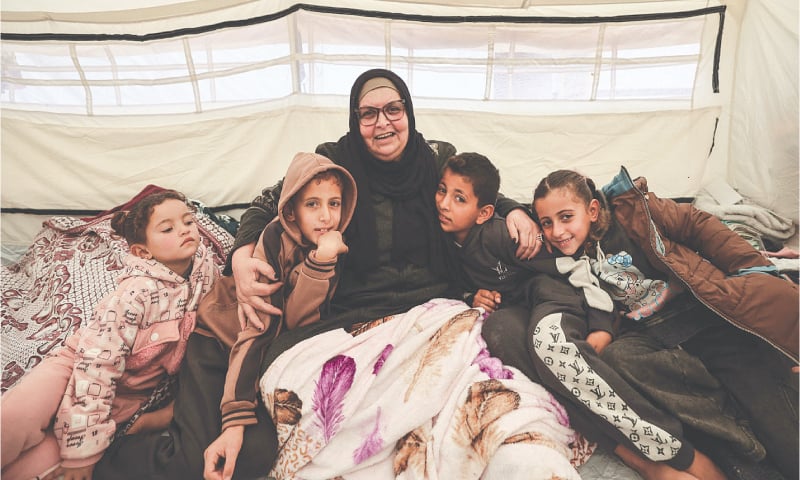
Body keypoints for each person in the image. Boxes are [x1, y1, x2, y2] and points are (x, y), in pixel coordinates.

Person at [441, 155, 730, 479]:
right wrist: (470, 296)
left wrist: (602, 323)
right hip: (515, 306)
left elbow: (576, 268)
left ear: (484, 211)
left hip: (554, 291)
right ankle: (642, 461)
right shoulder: (445, 240)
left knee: (550, 346)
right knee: (502, 335)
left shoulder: (501, 233)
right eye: (440, 192)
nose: (443, 204)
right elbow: (456, 282)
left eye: (457, 197)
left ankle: (681, 454)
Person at [229, 68, 542, 350]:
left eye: (393, 109)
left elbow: (475, 194)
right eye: (368, 114)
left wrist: (513, 209)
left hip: (438, 306)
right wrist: (242, 257)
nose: (382, 122)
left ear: (408, 111)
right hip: (353, 316)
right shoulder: (333, 162)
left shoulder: (435, 158)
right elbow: (269, 201)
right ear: (355, 119)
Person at [531, 167, 799, 479]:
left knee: (772, 414)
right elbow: (518, 248)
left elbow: (696, 223)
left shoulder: (633, 213)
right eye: (546, 223)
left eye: (566, 217)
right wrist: (521, 220)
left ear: (592, 210)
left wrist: (751, 266)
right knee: (621, 357)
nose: (557, 231)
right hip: (650, 332)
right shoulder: (571, 259)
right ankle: (733, 431)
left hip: (697, 314)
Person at [1, 190, 220, 480]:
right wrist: (82, 449)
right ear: (143, 252)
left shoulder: (207, 273)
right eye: (168, 228)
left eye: (189, 222)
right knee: (12, 422)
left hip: (127, 395)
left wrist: (79, 455)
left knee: (40, 469)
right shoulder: (135, 294)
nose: (184, 230)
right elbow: (97, 366)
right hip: (78, 365)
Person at [202, 152, 357, 480]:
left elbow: (301, 322)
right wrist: (234, 421)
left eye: (334, 204)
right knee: (199, 453)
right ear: (291, 210)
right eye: (312, 205)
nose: (326, 216)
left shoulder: (330, 244)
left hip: (261, 350)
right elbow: (258, 329)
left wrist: (321, 261)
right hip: (216, 338)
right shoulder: (272, 243)